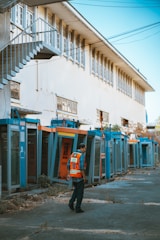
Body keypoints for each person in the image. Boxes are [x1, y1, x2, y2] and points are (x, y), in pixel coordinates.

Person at [67, 143, 86, 213]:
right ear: (81, 148)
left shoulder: (73, 154)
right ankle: (78, 208)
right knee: (80, 193)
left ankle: (71, 203)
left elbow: (68, 165)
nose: (85, 150)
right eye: (84, 148)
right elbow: (81, 167)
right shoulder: (81, 155)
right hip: (79, 176)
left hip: (73, 175)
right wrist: (84, 177)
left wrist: (69, 174)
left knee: (76, 190)